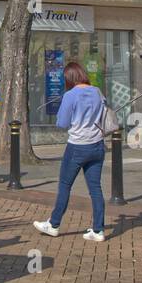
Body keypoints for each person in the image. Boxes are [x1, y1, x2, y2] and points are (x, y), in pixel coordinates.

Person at [33, 62, 108, 241]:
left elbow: (62, 123)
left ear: (68, 78)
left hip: (77, 146)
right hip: (97, 145)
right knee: (95, 188)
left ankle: (54, 224)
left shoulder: (70, 95)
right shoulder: (97, 91)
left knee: (65, 185)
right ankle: (98, 230)